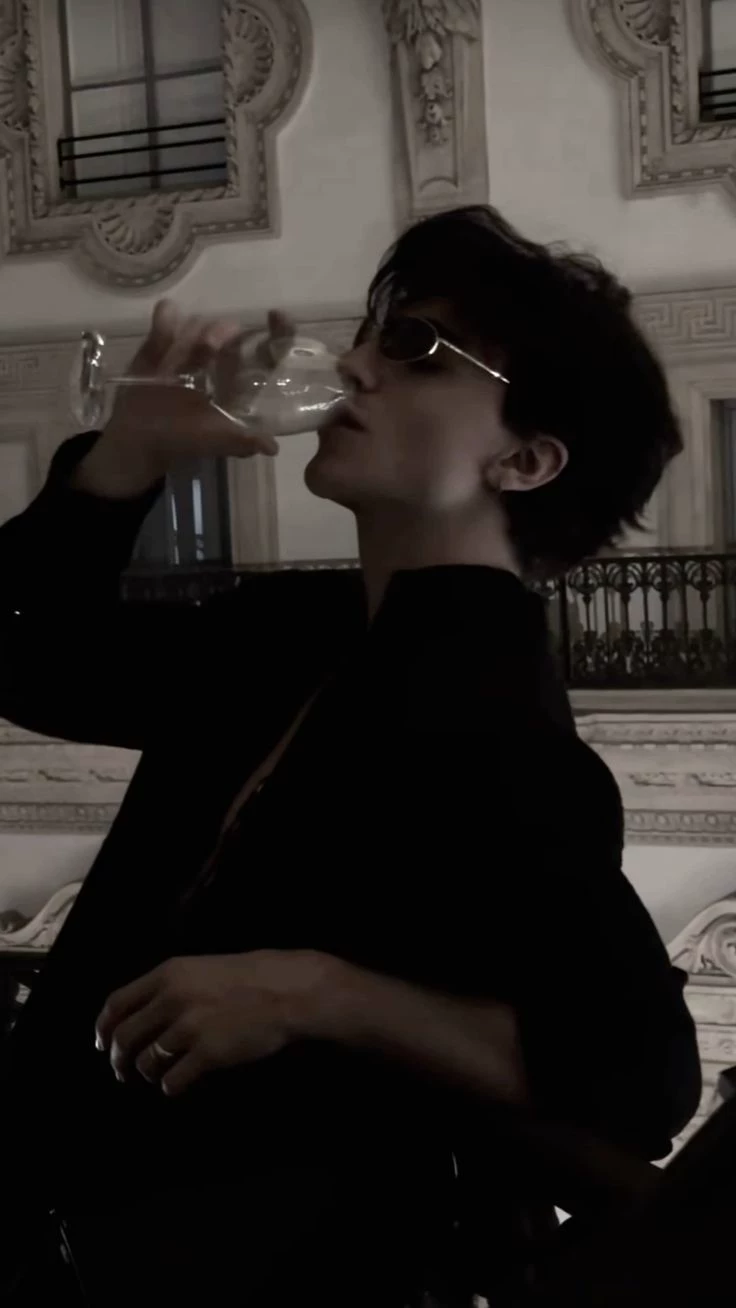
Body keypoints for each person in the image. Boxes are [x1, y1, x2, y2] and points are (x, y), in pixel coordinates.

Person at [0, 205, 700, 1306]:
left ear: (524, 460)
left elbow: (641, 1079)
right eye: (375, 335)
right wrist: (123, 462)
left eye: (419, 348)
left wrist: (323, 994)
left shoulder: (506, 737)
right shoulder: (288, 632)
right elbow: (30, 664)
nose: (357, 366)